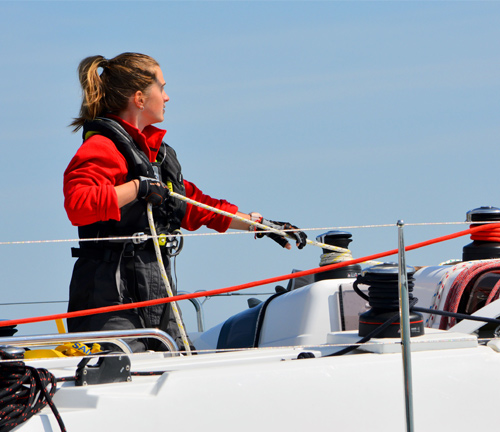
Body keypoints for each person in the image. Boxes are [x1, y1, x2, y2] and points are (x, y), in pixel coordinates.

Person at [64, 52, 307, 352]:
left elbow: (196, 205)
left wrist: (260, 226)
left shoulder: (156, 156)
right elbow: (78, 203)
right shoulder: (102, 147)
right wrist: (138, 188)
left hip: (158, 302)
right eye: (162, 88)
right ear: (139, 98)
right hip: (110, 306)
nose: (167, 97)